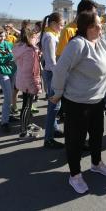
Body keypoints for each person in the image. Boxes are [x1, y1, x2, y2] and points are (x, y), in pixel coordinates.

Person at [51, 10, 106, 194]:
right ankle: (74, 175)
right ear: (88, 27)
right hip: (77, 102)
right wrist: (58, 92)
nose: (102, 26)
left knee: (96, 134)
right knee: (75, 140)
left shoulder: (101, 41)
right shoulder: (78, 44)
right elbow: (60, 69)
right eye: (98, 24)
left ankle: (96, 163)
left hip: (97, 100)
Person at [39, 12, 65, 148]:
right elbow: (51, 61)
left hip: (52, 72)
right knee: (54, 106)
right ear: (54, 24)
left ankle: (54, 130)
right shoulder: (49, 37)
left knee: (54, 105)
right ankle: (48, 139)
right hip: (52, 73)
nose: (62, 27)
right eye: (61, 25)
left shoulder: (52, 34)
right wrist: (60, 76)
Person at [13, 27, 42, 140]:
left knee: (27, 105)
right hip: (28, 81)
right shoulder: (30, 50)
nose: (36, 40)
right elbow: (30, 70)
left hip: (22, 79)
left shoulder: (21, 47)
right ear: (30, 38)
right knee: (26, 106)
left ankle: (27, 125)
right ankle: (23, 132)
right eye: (35, 38)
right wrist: (33, 85)